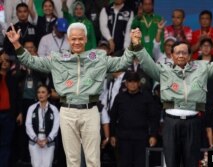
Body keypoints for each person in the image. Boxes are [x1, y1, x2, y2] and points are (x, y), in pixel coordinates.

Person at [6, 22, 141, 167]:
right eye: (74, 39)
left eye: (80, 38)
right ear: (69, 39)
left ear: (86, 39)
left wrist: (134, 45)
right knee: (72, 161)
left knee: (93, 160)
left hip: (90, 111)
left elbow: (122, 62)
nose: (77, 42)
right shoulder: (57, 58)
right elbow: (31, 61)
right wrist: (16, 44)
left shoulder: (99, 58)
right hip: (67, 111)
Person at [131, 28, 213, 166]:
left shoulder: (202, 68)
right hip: (171, 124)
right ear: (172, 56)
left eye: (184, 52)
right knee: (171, 163)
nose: (181, 55)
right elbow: (147, 63)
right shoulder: (164, 70)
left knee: (191, 163)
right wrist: (137, 45)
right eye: (177, 52)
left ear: (190, 55)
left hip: (193, 123)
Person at [110, 72, 160, 167]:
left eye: (135, 82)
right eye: (130, 81)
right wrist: (112, 135)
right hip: (123, 139)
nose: (132, 84)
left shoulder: (147, 97)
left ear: (139, 83)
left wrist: (153, 135)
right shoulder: (120, 97)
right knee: (124, 164)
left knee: (141, 164)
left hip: (141, 138)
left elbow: (154, 117)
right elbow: (113, 117)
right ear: (126, 83)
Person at [25, 84, 59, 167]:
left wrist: (48, 139)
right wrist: (36, 139)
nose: (40, 94)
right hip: (34, 141)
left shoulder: (54, 109)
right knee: (36, 165)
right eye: (38, 92)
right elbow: (28, 125)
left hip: (49, 141)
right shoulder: (32, 108)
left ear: (48, 95)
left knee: (47, 165)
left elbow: (56, 126)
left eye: (43, 92)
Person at [0, 53, 22, 167]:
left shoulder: (12, 78)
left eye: (7, 60)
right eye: (2, 60)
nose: (5, 62)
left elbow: (17, 97)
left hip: (9, 115)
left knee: (6, 144)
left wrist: (19, 113)